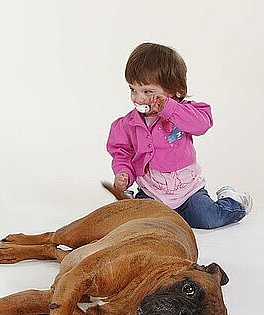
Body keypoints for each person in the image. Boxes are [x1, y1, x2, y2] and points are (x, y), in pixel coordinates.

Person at [106, 42, 252, 229]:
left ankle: (232, 199)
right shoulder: (128, 124)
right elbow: (121, 152)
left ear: (173, 91)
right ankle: (133, 201)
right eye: (133, 89)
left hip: (188, 192)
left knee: (209, 219)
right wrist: (123, 172)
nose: (138, 98)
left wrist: (169, 108)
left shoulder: (182, 113)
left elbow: (202, 124)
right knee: (139, 224)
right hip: (151, 192)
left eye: (147, 92)